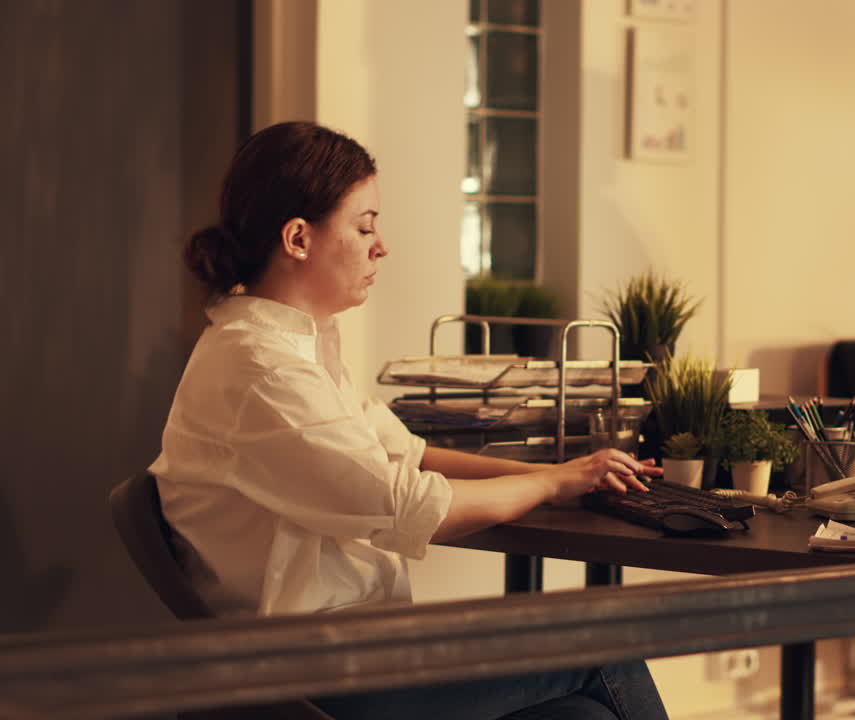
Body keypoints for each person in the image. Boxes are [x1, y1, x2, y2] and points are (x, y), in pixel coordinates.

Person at [149, 121, 669, 720]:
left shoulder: (296, 343)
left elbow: (404, 451)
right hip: (306, 674)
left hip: (351, 649)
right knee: (608, 642)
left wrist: (562, 473)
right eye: (364, 225)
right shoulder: (262, 369)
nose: (381, 246)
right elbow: (408, 504)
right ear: (298, 238)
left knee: (585, 717)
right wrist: (549, 485)